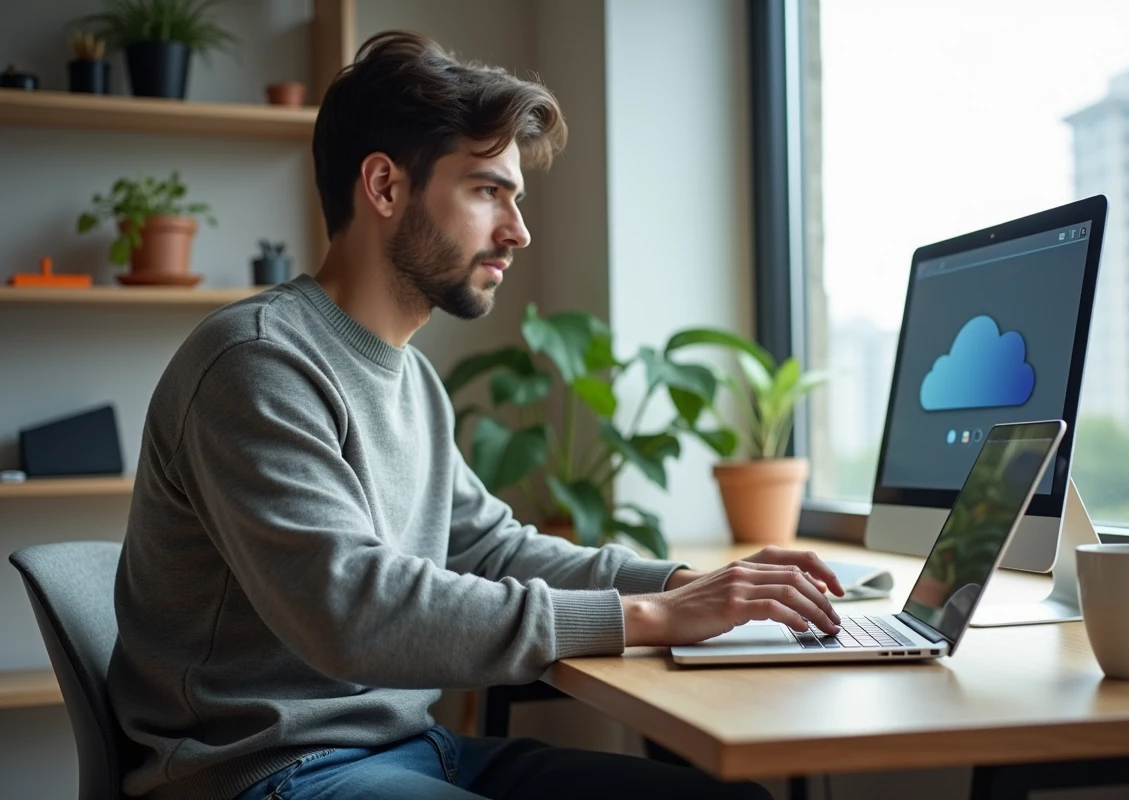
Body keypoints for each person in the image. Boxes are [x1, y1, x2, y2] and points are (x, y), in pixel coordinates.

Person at [107, 31, 845, 800]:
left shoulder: (412, 380)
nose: (517, 230)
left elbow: (491, 551)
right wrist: (652, 615)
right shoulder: (257, 363)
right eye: (489, 191)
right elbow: (351, 611)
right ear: (385, 187)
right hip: (270, 771)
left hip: (410, 750)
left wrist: (693, 585)